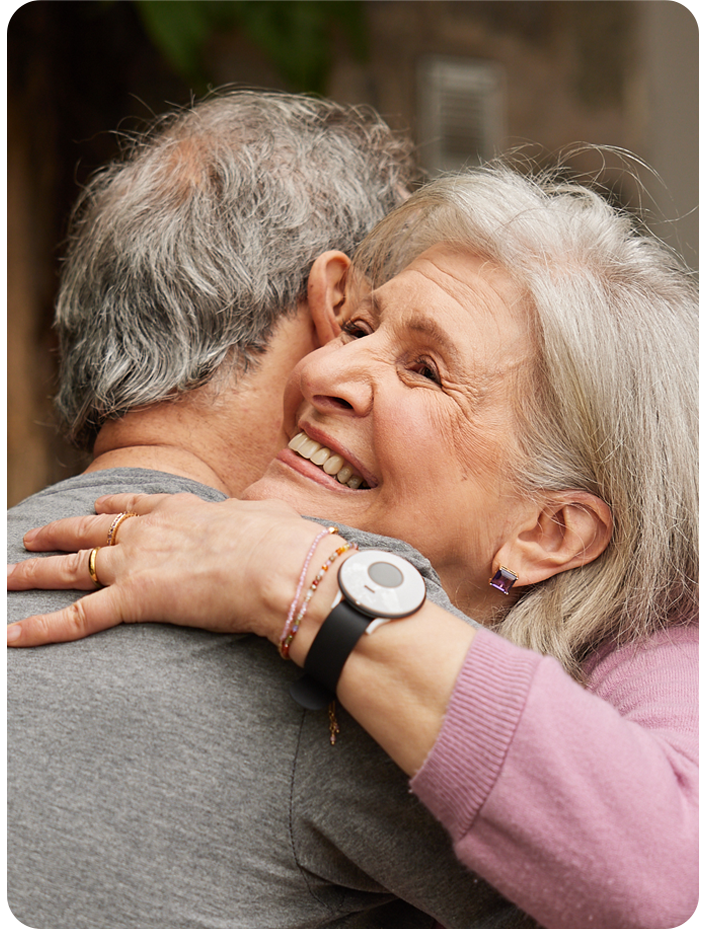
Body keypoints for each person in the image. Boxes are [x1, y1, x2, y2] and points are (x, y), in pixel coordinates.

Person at [9, 164, 699, 930]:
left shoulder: (660, 654)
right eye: (360, 329)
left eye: (426, 371)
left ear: (550, 533)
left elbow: (673, 884)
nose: (323, 368)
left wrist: (295, 579)